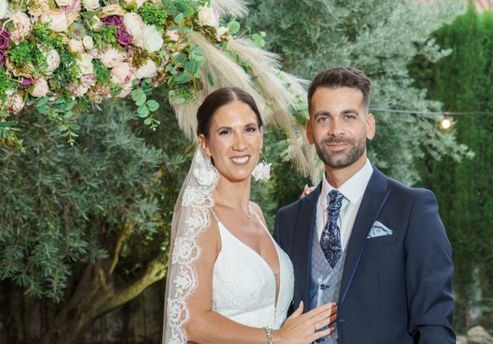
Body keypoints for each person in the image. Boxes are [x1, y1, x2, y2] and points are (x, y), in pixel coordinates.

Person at [274, 67, 455, 343]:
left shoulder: (412, 208)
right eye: (324, 118)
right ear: (310, 130)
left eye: (349, 116)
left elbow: (434, 324)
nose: (336, 130)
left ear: (369, 126)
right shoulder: (289, 220)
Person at [162, 87, 336, 344]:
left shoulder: (255, 214)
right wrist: (278, 338)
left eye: (249, 129)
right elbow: (191, 321)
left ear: (261, 135)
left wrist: (309, 221)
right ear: (205, 144)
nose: (240, 144)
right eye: (225, 132)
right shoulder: (202, 218)